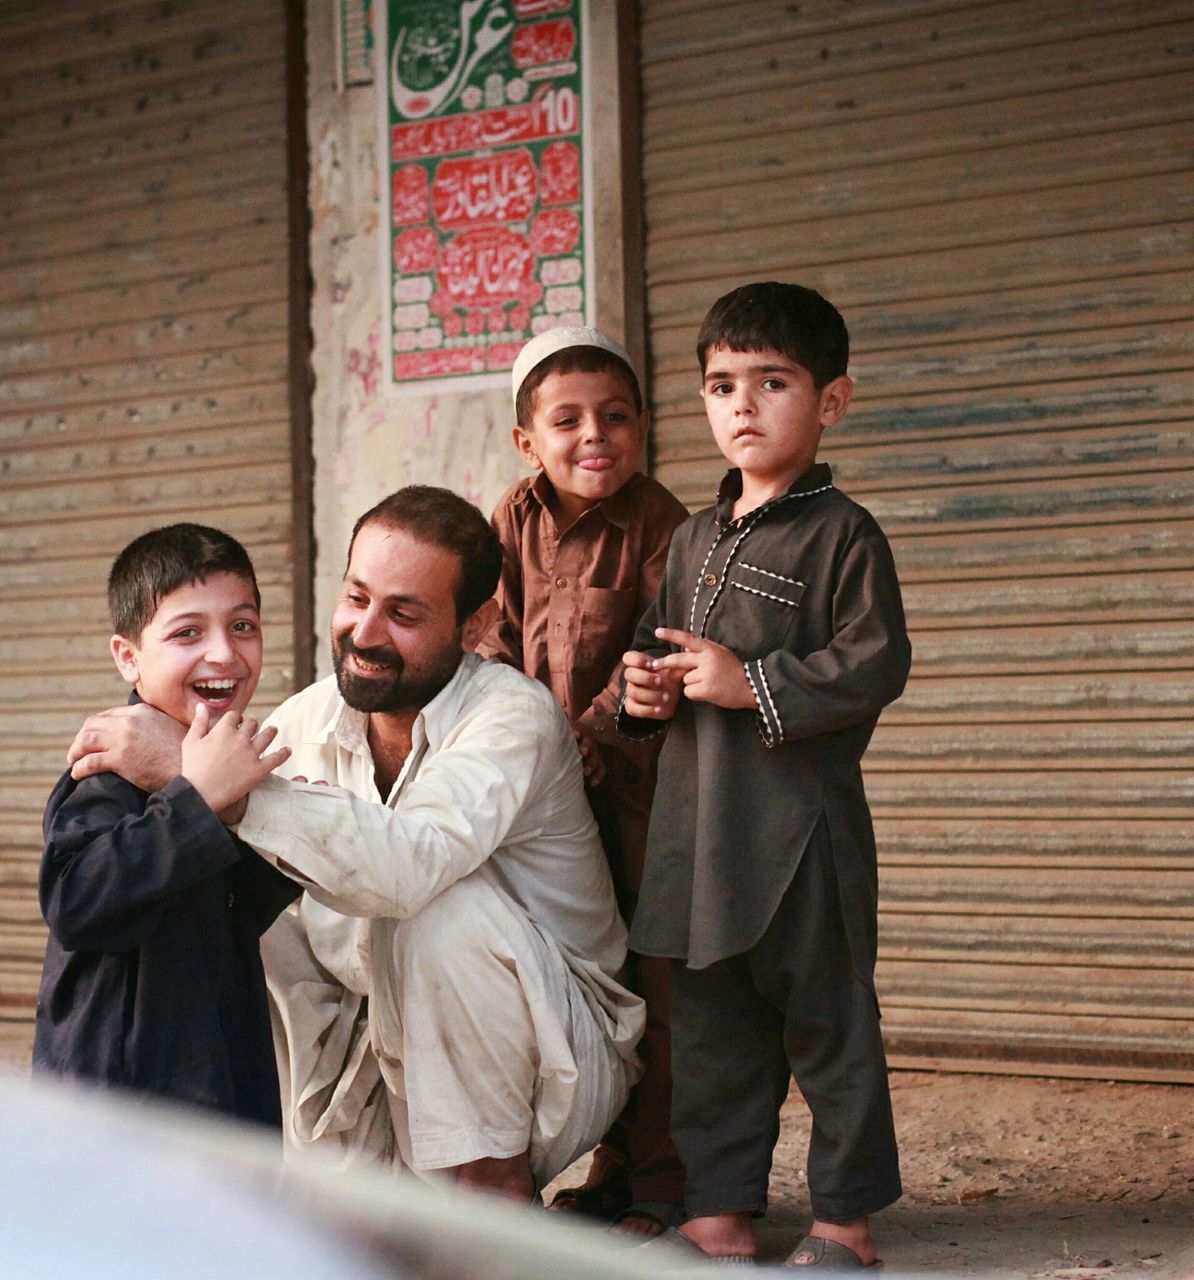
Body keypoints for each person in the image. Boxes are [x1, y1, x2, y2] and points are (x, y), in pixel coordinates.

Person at [66, 486, 645, 1204]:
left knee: (439, 911)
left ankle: (493, 1193)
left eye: (404, 614)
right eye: (357, 598)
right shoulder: (305, 719)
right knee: (251, 892)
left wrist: (206, 778)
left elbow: (406, 868)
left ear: (475, 626)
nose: (365, 633)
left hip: (549, 1054)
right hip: (367, 1057)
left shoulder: (512, 717)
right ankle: (341, 1183)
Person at [619, 282, 912, 1268]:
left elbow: (875, 663)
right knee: (709, 1031)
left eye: (769, 382)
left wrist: (752, 682)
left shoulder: (841, 535)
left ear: (829, 400)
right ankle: (718, 1209)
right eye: (718, 385)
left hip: (799, 834)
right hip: (697, 834)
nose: (740, 406)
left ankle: (844, 1218)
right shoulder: (690, 540)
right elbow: (650, 654)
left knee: (828, 1027)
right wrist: (644, 692)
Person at [478, 326, 689, 1231]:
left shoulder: (665, 526)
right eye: (566, 421)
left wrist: (583, 741)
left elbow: (655, 646)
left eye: (614, 417)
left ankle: (657, 1182)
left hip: (638, 792)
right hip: (540, 801)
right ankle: (575, 1164)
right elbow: (487, 632)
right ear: (528, 441)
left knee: (654, 983)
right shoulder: (511, 520)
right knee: (557, 975)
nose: (592, 436)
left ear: (643, 426)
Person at [33, 524, 298, 1124]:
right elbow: (75, 900)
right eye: (187, 633)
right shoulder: (108, 771)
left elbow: (237, 910)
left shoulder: (229, 760)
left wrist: (258, 820)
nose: (225, 654)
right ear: (129, 658)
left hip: (219, 1083)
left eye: (243, 626)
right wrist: (196, 802)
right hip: (124, 1112)